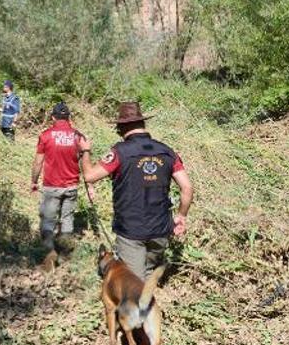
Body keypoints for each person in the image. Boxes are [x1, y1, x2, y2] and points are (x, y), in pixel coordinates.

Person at [78, 102, 193, 281]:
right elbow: (187, 187)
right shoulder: (168, 152)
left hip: (131, 230)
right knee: (148, 274)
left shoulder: (119, 152)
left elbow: (90, 176)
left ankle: (139, 304)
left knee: (134, 282)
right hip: (161, 228)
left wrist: (85, 151)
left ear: (122, 127)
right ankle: (149, 300)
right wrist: (182, 216)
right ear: (142, 124)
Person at [31, 102, 92, 255]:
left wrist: (33, 181)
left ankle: (49, 253)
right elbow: (86, 163)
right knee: (67, 219)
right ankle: (65, 254)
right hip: (71, 186)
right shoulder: (78, 136)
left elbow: (38, 162)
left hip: (51, 186)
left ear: (53, 117)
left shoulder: (45, 135)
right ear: (68, 117)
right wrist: (90, 185)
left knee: (47, 220)